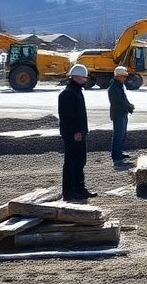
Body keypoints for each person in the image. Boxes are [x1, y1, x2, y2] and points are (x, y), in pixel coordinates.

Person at [58, 63, 95, 201]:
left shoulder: (77, 92)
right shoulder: (67, 94)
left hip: (80, 133)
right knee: (71, 162)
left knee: (80, 161)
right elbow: (68, 117)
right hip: (72, 134)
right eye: (84, 77)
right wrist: (77, 131)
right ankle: (68, 191)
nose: (86, 80)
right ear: (77, 77)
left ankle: (79, 188)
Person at [108, 65, 136, 162]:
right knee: (118, 135)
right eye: (123, 76)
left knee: (122, 134)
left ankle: (119, 152)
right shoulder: (113, 88)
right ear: (118, 76)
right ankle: (116, 156)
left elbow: (123, 99)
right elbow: (118, 102)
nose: (125, 78)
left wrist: (129, 105)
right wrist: (128, 106)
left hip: (122, 114)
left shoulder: (119, 86)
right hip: (118, 114)